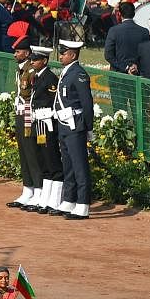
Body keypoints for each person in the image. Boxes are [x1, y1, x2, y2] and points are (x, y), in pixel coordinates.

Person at [53, 39, 94, 220]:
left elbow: (87, 103)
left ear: (73, 55)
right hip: (64, 124)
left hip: (75, 124)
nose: (61, 56)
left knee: (79, 165)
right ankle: (69, 199)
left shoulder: (79, 74)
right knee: (68, 164)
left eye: (64, 53)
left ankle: (83, 204)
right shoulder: (67, 72)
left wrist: (88, 127)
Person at [28, 45, 65, 214]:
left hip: (47, 123)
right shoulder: (37, 76)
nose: (32, 62)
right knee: (42, 159)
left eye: (35, 60)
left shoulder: (50, 78)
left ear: (44, 61)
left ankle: (55, 199)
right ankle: (45, 198)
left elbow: (53, 101)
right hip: (39, 123)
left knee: (51, 159)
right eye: (32, 59)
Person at [9, 30, 41, 209]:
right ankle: (27, 188)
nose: (15, 54)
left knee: (31, 151)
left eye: (18, 52)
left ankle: (37, 189)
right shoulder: (21, 70)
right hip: (20, 112)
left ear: (27, 53)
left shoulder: (31, 70)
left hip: (29, 113)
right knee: (23, 151)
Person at [104, 1, 149, 73]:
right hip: (138, 74)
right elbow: (146, 55)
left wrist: (126, 67)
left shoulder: (113, 31)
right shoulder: (144, 32)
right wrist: (135, 66)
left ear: (119, 14)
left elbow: (108, 55)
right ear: (134, 14)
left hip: (118, 74)